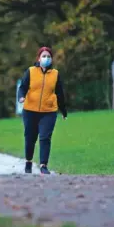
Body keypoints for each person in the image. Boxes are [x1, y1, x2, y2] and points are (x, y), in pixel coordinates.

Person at [18, 47, 68, 175]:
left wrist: (63, 110)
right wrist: (21, 97)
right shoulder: (31, 71)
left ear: (51, 59)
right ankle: (28, 161)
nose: (46, 58)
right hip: (30, 111)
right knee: (30, 138)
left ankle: (43, 165)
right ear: (39, 58)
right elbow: (22, 87)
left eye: (49, 56)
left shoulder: (55, 74)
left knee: (45, 137)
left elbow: (59, 93)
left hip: (49, 111)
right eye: (44, 56)